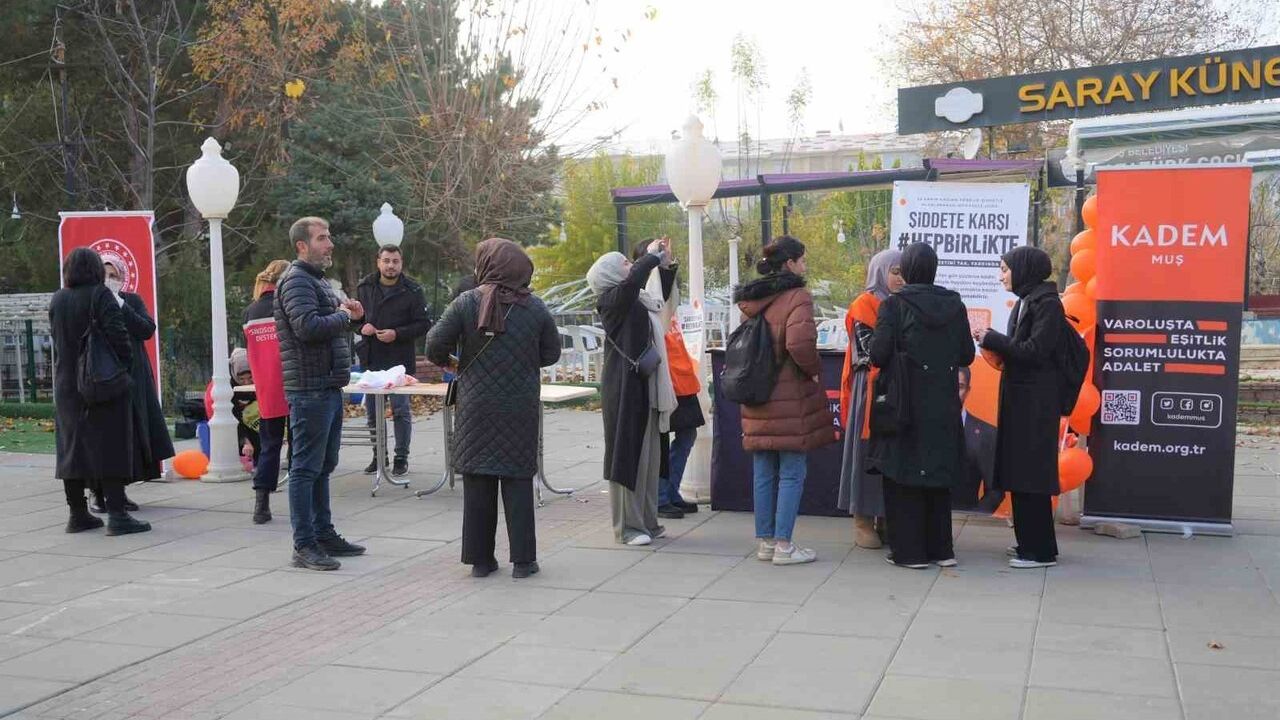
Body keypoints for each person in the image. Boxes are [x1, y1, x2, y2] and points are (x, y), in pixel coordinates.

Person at [426, 238, 560, 578]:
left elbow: (433, 345)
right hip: (519, 405)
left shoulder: (464, 304)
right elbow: (552, 354)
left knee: (478, 479)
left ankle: (481, 561)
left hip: (475, 405)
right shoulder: (536, 308)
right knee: (517, 478)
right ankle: (523, 562)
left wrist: (454, 363)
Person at [869, 242, 974, 569]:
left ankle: (909, 552)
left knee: (903, 473)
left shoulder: (894, 306)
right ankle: (942, 550)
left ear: (909, 269)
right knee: (937, 475)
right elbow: (967, 355)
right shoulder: (954, 304)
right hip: (943, 401)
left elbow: (877, 354)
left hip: (904, 402)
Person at [733, 236, 835, 566]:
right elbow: (799, 343)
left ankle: (764, 543)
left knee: (764, 469)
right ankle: (784, 546)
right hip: (789, 397)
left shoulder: (754, 298)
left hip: (756, 395)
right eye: (803, 260)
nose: (805, 266)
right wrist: (815, 371)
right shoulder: (797, 297)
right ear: (790, 263)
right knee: (791, 470)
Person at [274, 216, 368, 571]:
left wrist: (350, 316)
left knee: (323, 467)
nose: (330, 245)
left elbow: (327, 323)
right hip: (309, 389)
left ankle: (323, 533)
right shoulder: (297, 280)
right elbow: (308, 328)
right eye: (323, 239)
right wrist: (344, 316)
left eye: (329, 238)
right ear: (302, 245)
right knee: (305, 469)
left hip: (326, 386)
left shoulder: (315, 281)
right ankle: (304, 544)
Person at [50, 248, 150, 536]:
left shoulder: (58, 298)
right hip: (101, 384)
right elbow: (120, 339)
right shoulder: (100, 294)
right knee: (111, 446)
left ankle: (78, 514)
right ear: (95, 269)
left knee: (71, 449)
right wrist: (122, 371)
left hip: (67, 385)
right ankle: (117, 515)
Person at [974, 246, 1063, 569]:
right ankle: (1030, 543)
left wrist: (994, 338)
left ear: (1023, 269)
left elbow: (1035, 351)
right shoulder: (1031, 301)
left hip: (1036, 404)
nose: (1001, 276)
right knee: (1022, 473)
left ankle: (1038, 552)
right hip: (1023, 400)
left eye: (1004, 269)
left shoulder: (1048, 305)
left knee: (1032, 475)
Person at [588, 238, 677, 546]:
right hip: (625, 387)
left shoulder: (638, 299)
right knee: (627, 457)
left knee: (649, 458)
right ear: (611, 274)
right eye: (624, 263)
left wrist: (664, 263)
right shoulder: (612, 300)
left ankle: (647, 521)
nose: (630, 266)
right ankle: (627, 527)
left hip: (644, 382)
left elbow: (660, 299)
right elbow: (634, 282)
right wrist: (650, 258)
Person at [87, 260, 175, 514]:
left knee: (132, 435)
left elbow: (146, 328)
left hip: (133, 376)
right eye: (105, 275)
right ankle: (97, 491)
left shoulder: (131, 300)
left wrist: (119, 303)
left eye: (114, 275)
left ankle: (120, 492)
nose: (110, 279)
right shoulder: (91, 303)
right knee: (105, 436)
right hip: (103, 378)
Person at [630, 240, 703, 520]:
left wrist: (667, 262)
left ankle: (670, 490)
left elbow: (667, 298)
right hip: (663, 375)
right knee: (661, 436)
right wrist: (654, 260)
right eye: (656, 257)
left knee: (687, 433)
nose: (663, 259)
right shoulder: (641, 293)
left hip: (680, 374)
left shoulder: (663, 291)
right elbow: (655, 290)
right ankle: (661, 495)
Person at [837, 249, 903, 549]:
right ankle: (863, 519)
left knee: (892, 454)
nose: (900, 278)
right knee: (866, 454)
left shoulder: (904, 303)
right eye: (895, 271)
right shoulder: (864, 304)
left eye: (904, 272)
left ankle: (888, 517)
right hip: (871, 390)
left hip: (897, 388)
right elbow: (868, 353)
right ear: (880, 271)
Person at [355, 244, 433, 477]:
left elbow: (423, 324)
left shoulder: (413, 290)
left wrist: (396, 333)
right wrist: (361, 327)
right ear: (378, 261)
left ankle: (401, 457)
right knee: (372, 412)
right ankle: (379, 456)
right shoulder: (364, 287)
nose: (390, 265)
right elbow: (352, 317)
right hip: (371, 358)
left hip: (399, 359)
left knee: (400, 410)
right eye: (386, 260)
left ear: (401, 263)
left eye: (395, 261)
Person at [244, 259, 292, 524]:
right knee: (301, 443)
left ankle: (261, 503)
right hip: (295, 381)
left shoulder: (250, 312)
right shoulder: (286, 306)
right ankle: (303, 498)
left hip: (266, 386)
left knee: (269, 445)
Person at [955, 366, 1002, 513]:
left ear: (967, 390)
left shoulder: (986, 434)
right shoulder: (924, 428)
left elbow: (995, 491)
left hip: (966, 518)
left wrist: (975, 515)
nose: (953, 392)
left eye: (959, 387)